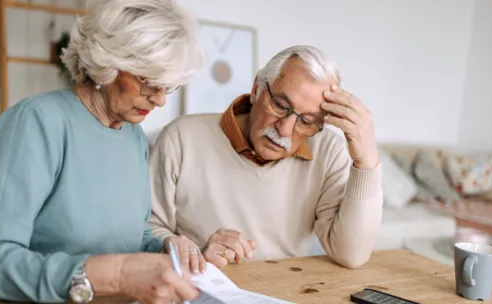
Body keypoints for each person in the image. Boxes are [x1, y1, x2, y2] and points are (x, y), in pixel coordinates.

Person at [0, 1, 206, 303]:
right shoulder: (36, 122)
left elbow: (130, 236)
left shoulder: (132, 136)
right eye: (148, 80)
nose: (160, 100)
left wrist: (167, 250)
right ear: (109, 62)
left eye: (168, 85)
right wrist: (117, 275)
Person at [149, 45, 383, 270]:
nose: (285, 129)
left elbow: (352, 255)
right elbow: (147, 230)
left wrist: (366, 162)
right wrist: (196, 255)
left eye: (307, 121)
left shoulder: (329, 152)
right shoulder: (182, 137)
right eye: (280, 105)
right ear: (256, 89)